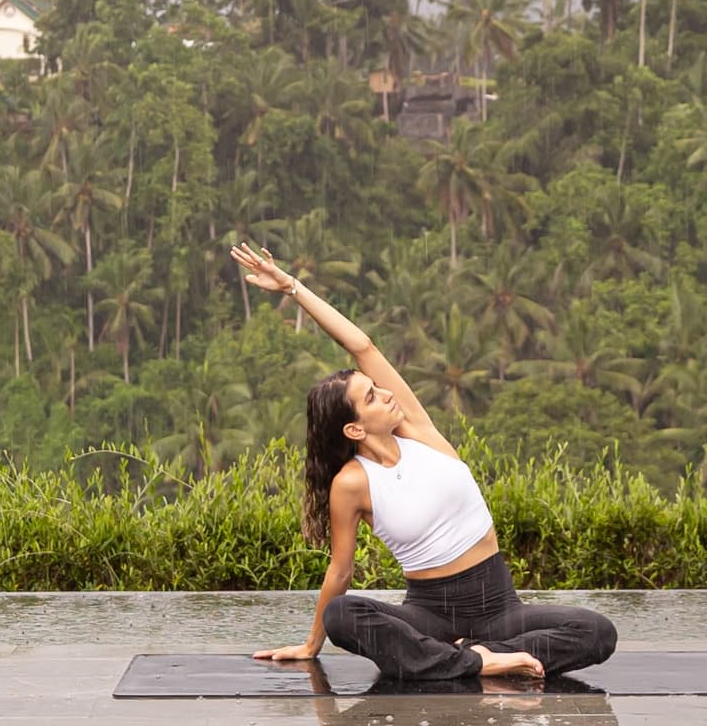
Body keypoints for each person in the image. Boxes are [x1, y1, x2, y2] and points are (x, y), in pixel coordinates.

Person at [231, 243, 619, 684]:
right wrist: (310, 644)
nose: (387, 393)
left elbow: (361, 345)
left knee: (597, 633)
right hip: (430, 614)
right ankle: (479, 663)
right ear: (354, 429)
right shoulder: (352, 483)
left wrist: (292, 287)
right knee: (344, 615)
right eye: (372, 397)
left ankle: (469, 657)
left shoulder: (419, 431)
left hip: (500, 609)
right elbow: (340, 571)